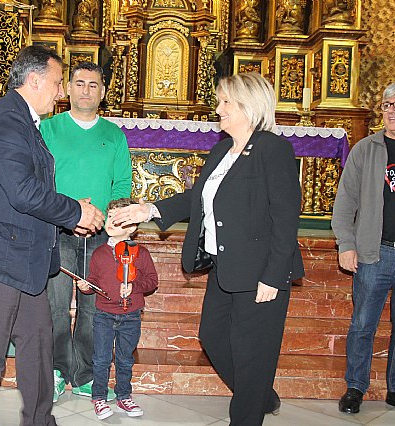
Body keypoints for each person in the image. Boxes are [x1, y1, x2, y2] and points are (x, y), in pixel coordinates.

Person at [112, 72, 304, 425]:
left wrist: (273, 277)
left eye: (226, 102)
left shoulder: (272, 149)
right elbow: (196, 198)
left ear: (249, 105)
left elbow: (286, 217)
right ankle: (259, 393)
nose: (219, 109)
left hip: (260, 270)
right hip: (225, 267)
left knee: (251, 354)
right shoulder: (221, 150)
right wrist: (149, 209)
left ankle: (247, 411)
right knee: (212, 337)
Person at [0, 45, 105, 426]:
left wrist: (70, 213)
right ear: (34, 80)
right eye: (56, 83)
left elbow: (29, 190)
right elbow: (22, 192)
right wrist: (75, 212)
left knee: (37, 349)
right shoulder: (5, 122)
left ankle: (40, 420)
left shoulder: (23, 120)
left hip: (27, 258)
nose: (60, 92)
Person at [331, 79, 395, 418]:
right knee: (363, 324)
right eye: (387, 105)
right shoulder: (366, 149)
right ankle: (355, 386)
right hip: (375, 252)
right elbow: (345, 202)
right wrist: (346, 243)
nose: (392, 111)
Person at [40, 61, 132, 403]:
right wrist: (69, 211)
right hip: (59, 230)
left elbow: (122, 183)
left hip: (101, 237)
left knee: (95, 311)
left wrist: (108, 218)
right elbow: (40, 180)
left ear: (103, 92)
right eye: (79, 83)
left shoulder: (114, 135)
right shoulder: (49, 129)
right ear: (68, 88)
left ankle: (85, 375)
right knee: (56, 304)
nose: (86, 90)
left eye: (93, 85)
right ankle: (56, 371)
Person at [75, 198, 158, 420]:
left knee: (124, 359)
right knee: (101, 359)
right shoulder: (99, 253)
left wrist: (134, 286)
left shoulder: (141, 253)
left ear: (132, 226)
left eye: (117, 218)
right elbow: (93, 281)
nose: (110, 221)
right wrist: (86, 287)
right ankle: (99, 398)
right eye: (109, 216)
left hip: (131, 316)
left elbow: (152, 281)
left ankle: (124, 396)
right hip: (103, 315)